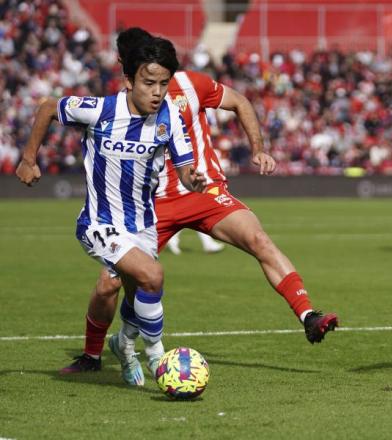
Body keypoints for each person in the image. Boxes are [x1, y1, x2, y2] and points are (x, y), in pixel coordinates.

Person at [60, 28, 338, 381]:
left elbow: (239, 101)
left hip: (204, 194)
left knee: (258, 240)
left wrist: (258, 148)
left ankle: (307, 314)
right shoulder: (122, 103)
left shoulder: (193, 84)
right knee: (109, 284)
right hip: (151, 206)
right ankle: (92, 354)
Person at [17, 36, 207, 386]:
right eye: (149, 83)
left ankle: (123, 347)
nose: (157, 92)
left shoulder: (170, 118)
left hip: (142, 226)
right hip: (99, 223)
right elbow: (47, 107)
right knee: (153, 275)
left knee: (122, 290)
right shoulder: (101, 110)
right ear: (129, 81)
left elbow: (183, 168)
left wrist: (192, 179)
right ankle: (157, 357)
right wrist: (29, 160)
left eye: (164, 84)